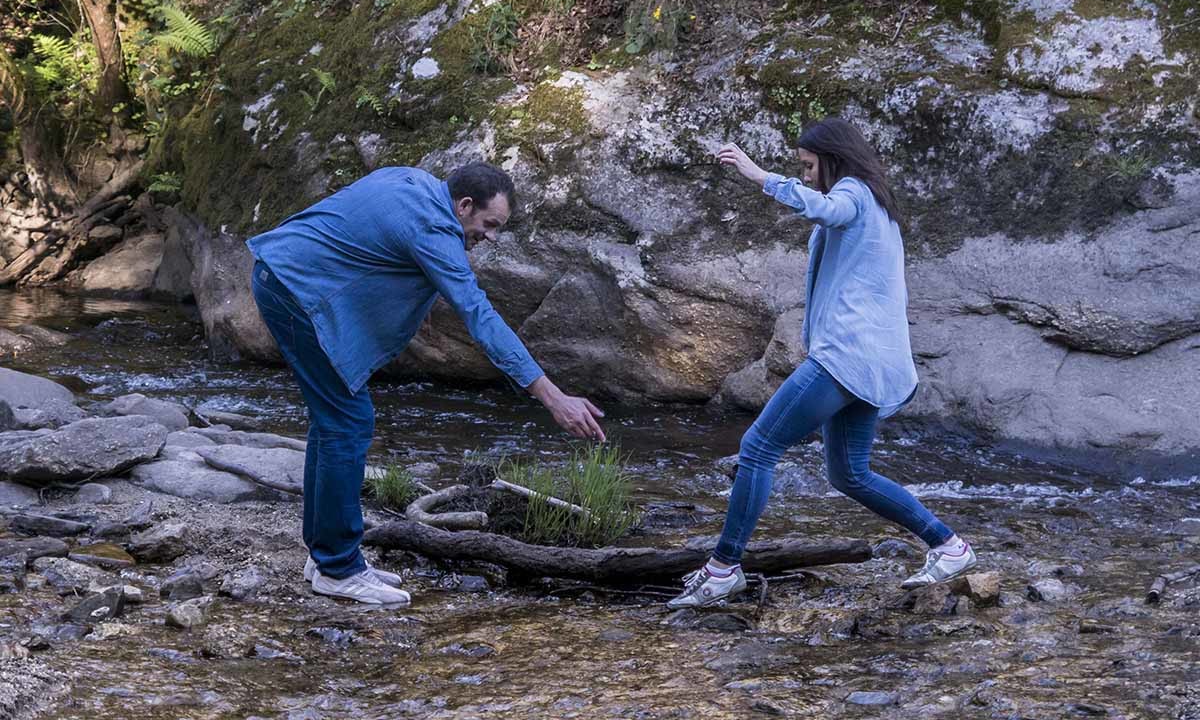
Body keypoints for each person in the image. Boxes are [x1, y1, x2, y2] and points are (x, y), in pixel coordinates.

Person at [248, 163, 606, 606]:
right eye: (489, 225)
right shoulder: (434, 231)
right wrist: (553, 397)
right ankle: (337, 568)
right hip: (294, 292)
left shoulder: (414, 181)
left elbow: (369, 238)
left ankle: (326, 554)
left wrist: (418, 299)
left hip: (280, 272)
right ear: (464, 205)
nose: (490, 236)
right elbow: (481, 318)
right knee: (348, 422)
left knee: (334, 421)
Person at [668, 118, 975, 609]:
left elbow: (824, 207)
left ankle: (724, 568)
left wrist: (758, 174)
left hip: (846, 356)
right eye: (801, 169)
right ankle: (949, 545)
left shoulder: (853, 192)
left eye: (809, 166)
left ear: (832, 158)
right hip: (871, 361)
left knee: (757, 447)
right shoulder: (875, 202)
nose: (807, 175)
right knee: (849, 474)